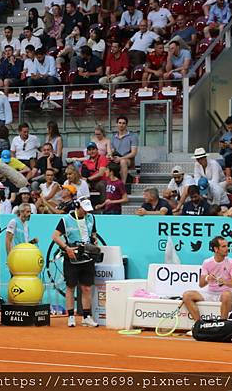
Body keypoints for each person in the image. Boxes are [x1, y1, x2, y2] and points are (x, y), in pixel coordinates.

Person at [51, 197, 100, 328]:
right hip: (72, 257)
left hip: (87, 257)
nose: (86, 212)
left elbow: (93, 234)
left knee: (87, 287)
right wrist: (66, 248)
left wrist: (94, 241)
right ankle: (71, 316)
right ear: (77, 206)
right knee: (70, 287)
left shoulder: (91, 218)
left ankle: (86, 317)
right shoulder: (65, 220)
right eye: (84, 209)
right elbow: (55, 236)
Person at [182, 236, 232, 322]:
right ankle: (199, 325)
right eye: (224, 246)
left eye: (227, 246)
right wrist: (208, 278)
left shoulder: (231, 263)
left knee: (227, 295)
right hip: (210, 293)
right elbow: (201, 284)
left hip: (224, 294)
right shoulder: (207, 262)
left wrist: (224, 282)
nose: (227, 248)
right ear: (216, 249)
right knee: (187, 295)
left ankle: (222, 326)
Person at [110, 116, 138, 183]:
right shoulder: (113, 138)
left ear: (126, 125)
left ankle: (123, 184)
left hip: (128, 160)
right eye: (119, 123)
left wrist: (121, 158)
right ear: (117, 124)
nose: (121, 125)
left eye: (123, 123)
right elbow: (112, 151)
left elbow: (134, 153)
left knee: (123, 161)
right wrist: (112, 157)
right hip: (116, 158)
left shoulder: (132, 136)